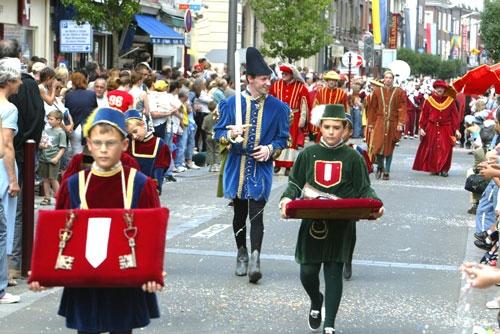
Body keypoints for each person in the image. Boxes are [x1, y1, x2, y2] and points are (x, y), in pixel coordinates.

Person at [29, 107, 163, 333]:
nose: (103, 149)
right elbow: (58, 230)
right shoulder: (73, 185)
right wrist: (43, 272)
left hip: (124, 275)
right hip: (85, 277)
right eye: (97, 142)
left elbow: (152, 233)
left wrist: (153, 272)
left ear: (124, 145)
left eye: (110, 143)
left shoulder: (140, 184)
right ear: (89, 144)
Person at [280, 104, 383, 334]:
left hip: (341, 224)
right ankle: (316, 301)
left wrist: (377, 204)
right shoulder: (307, 154)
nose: (331, 132)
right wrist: (286, 199)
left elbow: (365, 189)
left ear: (345, 129)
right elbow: (294, 184)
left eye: (336, 127)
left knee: (334, 272)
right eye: (326, 127)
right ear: (320, 128)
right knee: (307, 272)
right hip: (312, 222)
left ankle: (330, 325)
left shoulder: (354, 158)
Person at [214, 47, 290, 283]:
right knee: (239, 213)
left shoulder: (279, 108)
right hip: (237, 164)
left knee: (257, 214)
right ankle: (241, 253)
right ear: (250, 79)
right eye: (264, 79)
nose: (268, 83)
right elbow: (217, 134)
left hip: (261, 166)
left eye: (269, 79)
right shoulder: (230, 104)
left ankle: (256, 257)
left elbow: (282, 138)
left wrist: (270, 149)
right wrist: (231, 135)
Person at [2, 40, 45, 284]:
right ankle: (12, 264)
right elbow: (36, 121)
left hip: (16, 153)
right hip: (16, 156)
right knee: (14, 211)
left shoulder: (22, 85)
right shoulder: (27, 86)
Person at [0, 57, 20, 302]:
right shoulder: (9, 108)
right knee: (3, 228)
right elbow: (6, 145)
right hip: (2, 170)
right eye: (17, 81)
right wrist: (13, 179)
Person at [412, 80, 460, 177]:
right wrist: (421, 127)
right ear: (435, 88)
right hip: (432, 127)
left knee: (446, 148)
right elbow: (424, 115)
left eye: (441, 88)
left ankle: (444, 169)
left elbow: (455, 116)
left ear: (444, 89)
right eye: (437, 87)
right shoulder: (429, 100)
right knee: (432, 147)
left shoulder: (450, 100)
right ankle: (433, 168)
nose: (439, 89)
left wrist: (457, 129)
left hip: (446, 127)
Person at [367, 70, 407, 180]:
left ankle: (386, 171)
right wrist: (370, 124)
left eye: (390, 78)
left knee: (390, 147)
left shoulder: (399, 92)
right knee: (378, 146)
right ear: (383, 79)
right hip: (380, 122)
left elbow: (402, 108)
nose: (388, 79)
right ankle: (380, 166)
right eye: (386, 77)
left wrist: (401, 123)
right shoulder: (377, 91)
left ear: (393, 79)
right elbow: (372, 109)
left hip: (393, 122)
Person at [269, 64, 309, 175]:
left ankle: (289, 165)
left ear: (292, 75)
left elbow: (304, 104)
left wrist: (303, 118)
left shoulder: (300, 87)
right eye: (282, 73)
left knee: (292, 141)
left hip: (294, 117)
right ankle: (277, 163)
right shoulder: (276, 85)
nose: (284, 75)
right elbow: (270, 100)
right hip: (278, 117)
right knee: (278, 138)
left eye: (286, 73)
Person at [124, 109, 170, 194]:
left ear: (142, 124)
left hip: (150, 188)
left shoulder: (160, 144)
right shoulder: (129, 144)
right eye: (130, 134)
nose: (134, 136)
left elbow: (159, 168)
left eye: (135, 131)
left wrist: (156, 187)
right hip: (131, 187)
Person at [64, 72, 98, 155]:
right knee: (89, 156)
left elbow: (67, 112)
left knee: (77, 156)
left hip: (74, 128)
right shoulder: (91, 94)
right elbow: (95, 111)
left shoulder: (69, 95)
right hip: (88, 128)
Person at [310, 71, 349, 142]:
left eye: (333, 80)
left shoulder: (342, 93)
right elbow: (315, 108)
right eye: (329, 80)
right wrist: (315, 126)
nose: (331, 82)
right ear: (327, 81)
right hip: (323, 122)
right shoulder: (320, 92)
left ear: (336, 81)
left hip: (336, 122)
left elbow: (346, 109)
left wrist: (346, 125)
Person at [38, 110, 66, 206]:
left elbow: (62, 148)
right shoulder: (46, 131)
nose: (49, 121)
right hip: (43, 158)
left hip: (53, 159)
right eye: (48, 119)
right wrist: (41, 146)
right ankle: (47, 197)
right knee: (45, 179)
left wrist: (57, 158)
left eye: (51, 119)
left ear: (58, 120)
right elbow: (42, 143)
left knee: (53, 179)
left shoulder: (61, 133)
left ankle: (59, 198)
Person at [202, 101, 220, 172]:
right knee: (217, 150)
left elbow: (203, 127)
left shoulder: (206, 117)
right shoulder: (218, 117)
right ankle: (217, 165)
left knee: (210, 150)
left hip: (209, 135)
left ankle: (211, 165)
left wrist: (208, 132)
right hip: (217, 135)